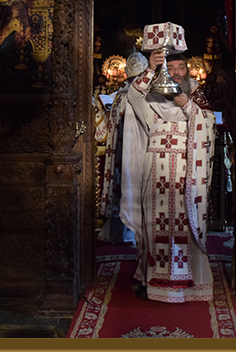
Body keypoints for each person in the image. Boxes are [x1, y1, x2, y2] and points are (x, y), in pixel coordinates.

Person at [119, 49, 217, 303]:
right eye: (170, 69)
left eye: (180, 68)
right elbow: (133, 95)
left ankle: (189, 282)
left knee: (185, 222)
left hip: (186, 169)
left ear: (187, 71)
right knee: (154, 223)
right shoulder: (151, 95)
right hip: (156, 167)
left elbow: (209, 124)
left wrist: (188, 106)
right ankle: (152, 281)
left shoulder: (195, 95)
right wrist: (150, 69)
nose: (176, 73)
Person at [97, 52, 149, 245]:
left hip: (121, 150)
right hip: (133, 150)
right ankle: (130, 233)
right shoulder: (139, 94)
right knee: (132, 187)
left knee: (122, 186)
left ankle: (117, 232)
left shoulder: (120, 94)